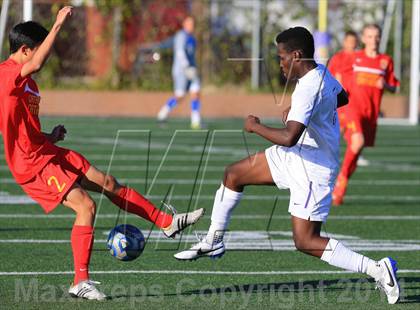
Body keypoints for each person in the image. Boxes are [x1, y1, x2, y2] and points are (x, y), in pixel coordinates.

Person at [174, 26, 400, 304]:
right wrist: (303, 114)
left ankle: (377, 269)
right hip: (297, 155)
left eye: (281, 57)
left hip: (312, 168)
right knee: (234, 174)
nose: (279, 63)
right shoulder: (320, 72)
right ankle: (214, 239)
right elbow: (343, 97)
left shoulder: (307, 87)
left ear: (296, 55)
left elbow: (290, 137)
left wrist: (255, 126)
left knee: (305, 241)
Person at [0, 7, 204, 300]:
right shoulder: (7, 75)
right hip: (32, 164)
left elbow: (18, 128)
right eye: (40, 50)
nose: (45, 56)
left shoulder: (27, 82)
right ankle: (80, 281)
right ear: (24, 50)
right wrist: (57, 25)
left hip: (44, 151)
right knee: (86, 207)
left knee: (108, 183)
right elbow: (33, 70)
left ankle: (166, 223)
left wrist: (49, 136)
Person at [332, 24, 399, 206]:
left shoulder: (385, 61)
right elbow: (336, 73)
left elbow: (394, 86)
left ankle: (341, 182)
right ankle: (341, 180)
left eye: (376, 36)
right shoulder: (355, 58)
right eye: (369, 36)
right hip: (352, 108)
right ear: (363, 39)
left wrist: (384, 85)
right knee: (357, 141)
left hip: (371, 113)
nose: (373, 40)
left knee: (357, 147)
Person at [329, 30, 370, 168]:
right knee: (339, 128)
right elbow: (330, 76)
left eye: (354, 42)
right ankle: (328, 152)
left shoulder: (360, 57)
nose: (352, 44)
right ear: (345, 42)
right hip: (341, 99)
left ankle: (357, 155)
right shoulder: (337, 58)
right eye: (349, 41)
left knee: (358, 129)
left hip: (357, 99)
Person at [157, 16, 202, 129]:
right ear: (184, 24)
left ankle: (195, 120)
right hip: (181, 71)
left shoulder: (192, 38)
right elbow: (180, 52)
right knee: (180, 95)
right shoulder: (181, 36)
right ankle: (163, 112)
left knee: (195, 92)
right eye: (189, 23)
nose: (192, 26)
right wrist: (186, 67)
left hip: (191, 70)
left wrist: (193, 67)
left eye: (193, 23)